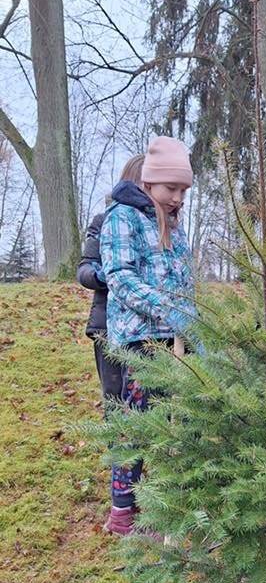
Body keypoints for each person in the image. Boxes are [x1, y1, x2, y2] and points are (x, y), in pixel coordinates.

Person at [100, 136, 195, 535]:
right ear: (149, 181)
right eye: (171, 188)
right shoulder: (122, 217)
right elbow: (120, 278)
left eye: (183, 191)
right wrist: (167, 308)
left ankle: (169, 506)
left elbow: (183, 279)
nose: (177, 198)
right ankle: (123, 511)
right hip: (140, 340)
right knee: (137, 424)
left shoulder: (172, 222)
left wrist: (192, 318)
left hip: (176, 338)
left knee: (175, 421)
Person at [77, 155, 145, 410]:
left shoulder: (161, 225)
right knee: (114, 397)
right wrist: (112, 275)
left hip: (147, 327)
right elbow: (85, 269)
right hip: (107, 324)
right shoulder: (104, 221)